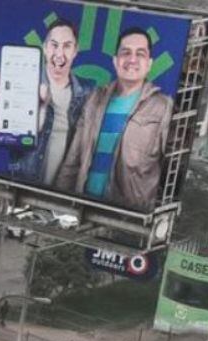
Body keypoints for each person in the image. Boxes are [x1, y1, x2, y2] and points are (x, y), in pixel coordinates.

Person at [53, 28, 174, 211]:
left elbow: (172, 172)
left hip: (126, 220)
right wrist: (56, 206)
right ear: (116, 61)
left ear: (149, 64)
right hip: (83, 211)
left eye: (140, 54)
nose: (132, 59)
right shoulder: (95, 99)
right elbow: (73, 160)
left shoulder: (163, 107)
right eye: (125, 52)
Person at [0, 21, 90, 187]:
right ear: (45, 48)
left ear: (75, 51)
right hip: (23, 187)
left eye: (67, 46)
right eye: (54, 45)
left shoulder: (86, 92)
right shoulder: (23, 83)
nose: (59, 53)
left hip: (63, 194)